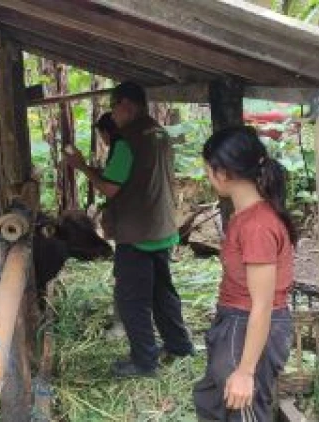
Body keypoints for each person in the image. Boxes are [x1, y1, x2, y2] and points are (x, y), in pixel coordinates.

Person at [63, 81, 194, 378]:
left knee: (132, 299)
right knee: (163, 291)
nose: (113, 114)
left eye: (114, 107)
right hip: (162, 228)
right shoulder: (160, 133)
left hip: (137, 234)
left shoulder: (128, 141)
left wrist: (82, 166)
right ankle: (179, 345)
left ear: (126, 105)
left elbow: (110, 188)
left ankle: (144, 361)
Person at [194, 126, 296, 421]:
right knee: (214, 402)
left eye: (208, 171)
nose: (207, 177)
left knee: (243, 411)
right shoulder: (245, 216)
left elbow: (263, 304)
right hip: (235, 321)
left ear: (223, 173)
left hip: (249, 325)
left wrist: (245, 370)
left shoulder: (257, 226)